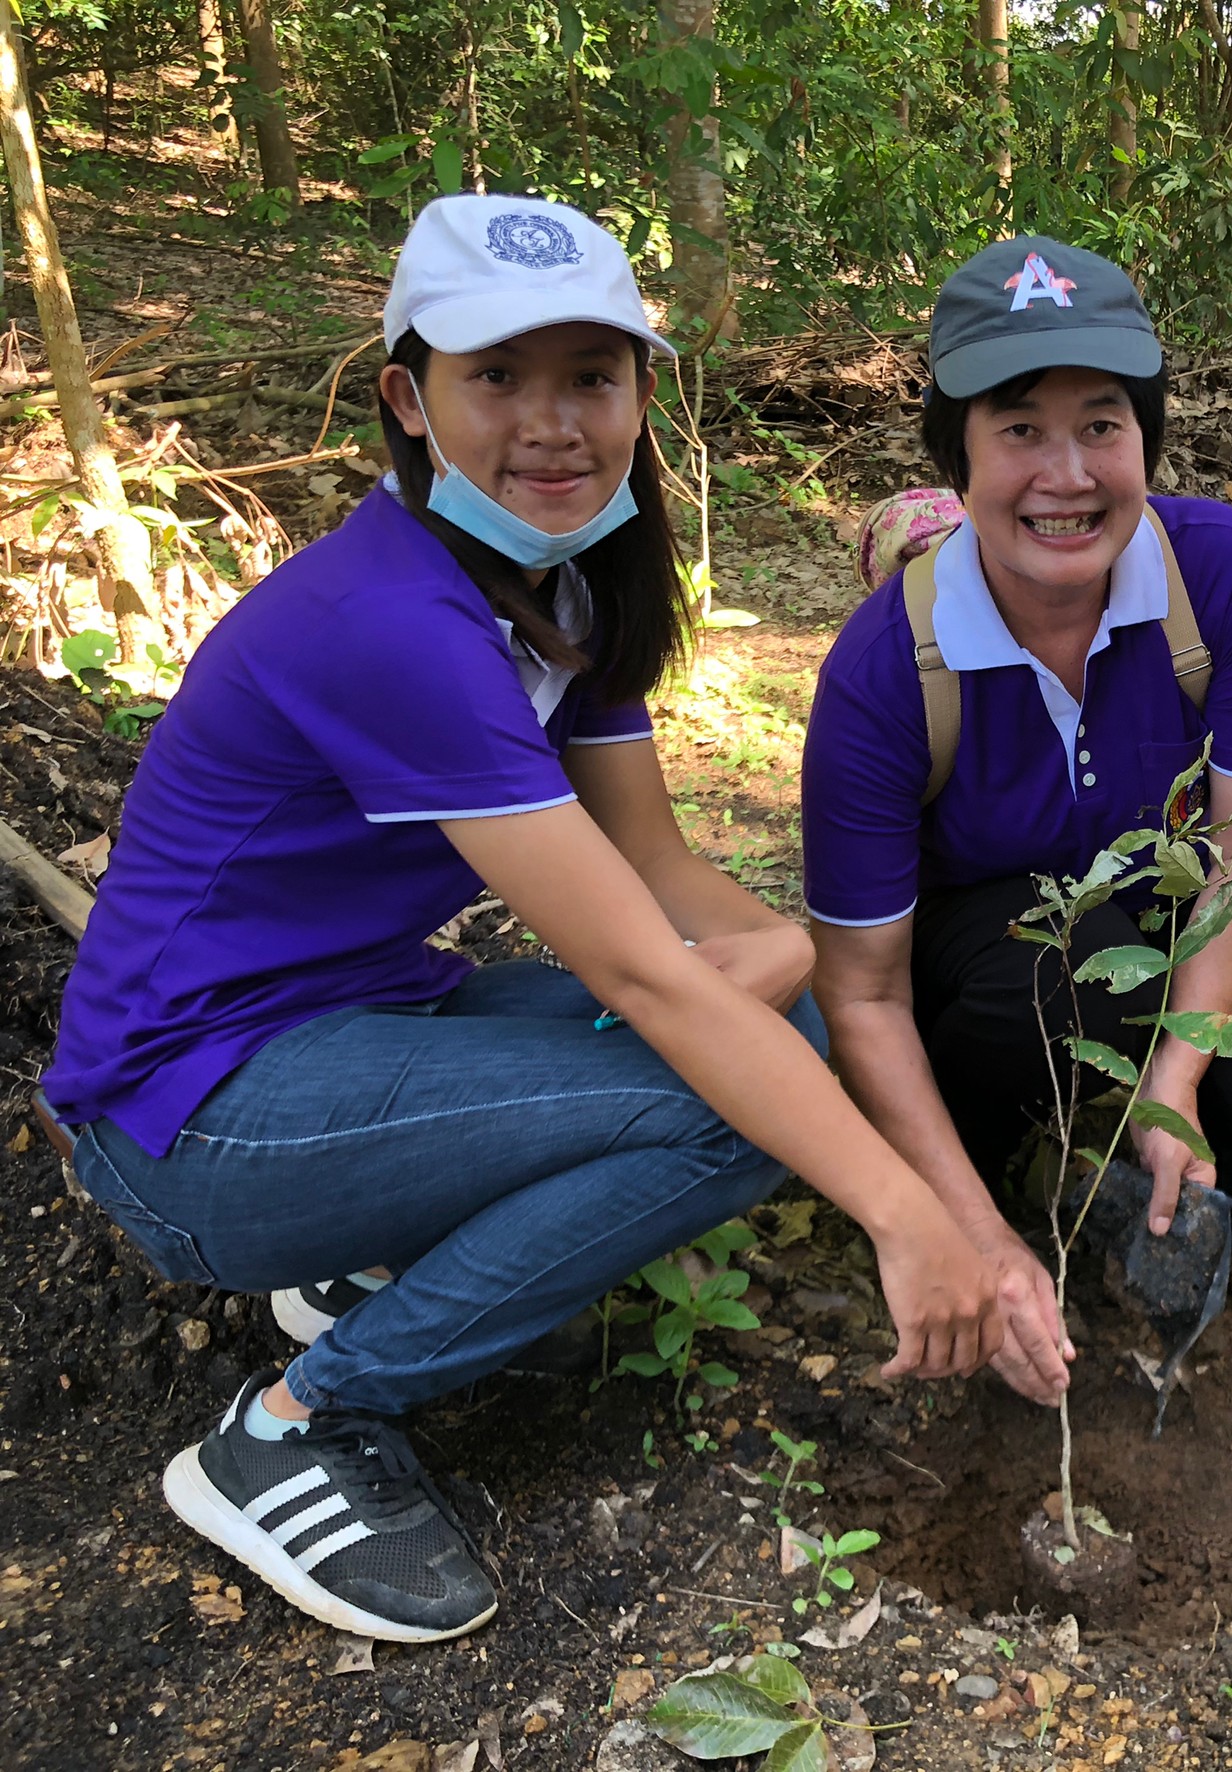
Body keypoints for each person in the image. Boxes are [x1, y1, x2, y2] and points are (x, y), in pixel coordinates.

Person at [37, 195, 1002, 1644]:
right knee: (725, 1101)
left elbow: (664, 874)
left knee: (776, 1036)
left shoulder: (561, 587)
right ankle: (295, 1428)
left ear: (637, 399)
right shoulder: (391, 622)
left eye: (590, 378)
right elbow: (643, 973)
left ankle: (366, 1271)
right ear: (407, 401)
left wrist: (798, 964)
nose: (551, 423)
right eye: (497, 378)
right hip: (194, 1118)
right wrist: (905, 1213)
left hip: (349, 1028)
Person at [803, 237, 1232, 1409]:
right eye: (1018, 429)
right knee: (1068, 980)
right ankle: (1013, 1162)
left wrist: (1176, 1075)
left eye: (1103, 424)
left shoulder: (1218, 575)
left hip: (1168, 909)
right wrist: (967, 1236)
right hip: (991, 964)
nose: (1065, 474)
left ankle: (1164, 1151)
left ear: (1145, 441)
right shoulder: (885, 670)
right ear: (957, 456)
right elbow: (860, 992)